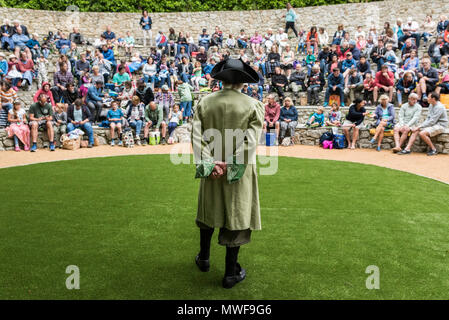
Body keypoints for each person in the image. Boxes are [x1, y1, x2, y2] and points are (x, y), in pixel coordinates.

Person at [192, 58, 264, 289]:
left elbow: (196, 137)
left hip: (211, 169)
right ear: (244, 81)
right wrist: (231, 164)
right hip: (239, 171)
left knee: (208, 211)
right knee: (236, 213)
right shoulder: (253, 105)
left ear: (221, 79)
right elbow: (250, 142)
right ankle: (230, 273)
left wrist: (211, 164)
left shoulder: (204, 103)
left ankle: (204, 258)